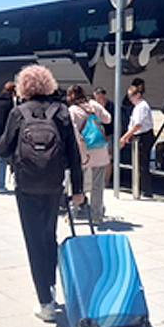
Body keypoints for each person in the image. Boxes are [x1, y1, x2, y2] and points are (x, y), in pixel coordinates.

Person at [0, 64, 83, 322]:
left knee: (34, 241)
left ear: (24, 86)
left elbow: (2, 148)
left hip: (26, 185)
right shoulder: (61, 112)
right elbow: (74, 155)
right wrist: (78, 190)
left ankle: (45, 301)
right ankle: (52, 286)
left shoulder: (19, 112)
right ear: (50, 84)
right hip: (54, 184)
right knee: (49, 236)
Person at [66, 84, 112, 223]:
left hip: (83, 153)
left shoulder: (72, 110)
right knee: (97, 184)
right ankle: (96, 214)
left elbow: (74, 132)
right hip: (100, 150)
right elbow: (108, 119)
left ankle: (72, 213)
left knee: (77, 183)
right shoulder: (93, 105)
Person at [119, 84, 154, 198]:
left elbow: (138, 125)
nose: (130, 99)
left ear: (138, 95)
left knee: (143, 163)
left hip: (144, 136)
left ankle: (146, 190)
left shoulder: (142, 106)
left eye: (131, 96)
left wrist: (125, 136)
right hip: (138, 135)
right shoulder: (137, 106)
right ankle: (139, 187)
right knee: (138, 162)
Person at [92, 87, 114, 188]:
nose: (99, 99)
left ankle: (106, 181)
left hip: (108, 134)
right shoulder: (92, 106)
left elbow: (112, 120)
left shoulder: (111, 106)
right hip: (95, 135)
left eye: (100, 97)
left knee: (108, 159)